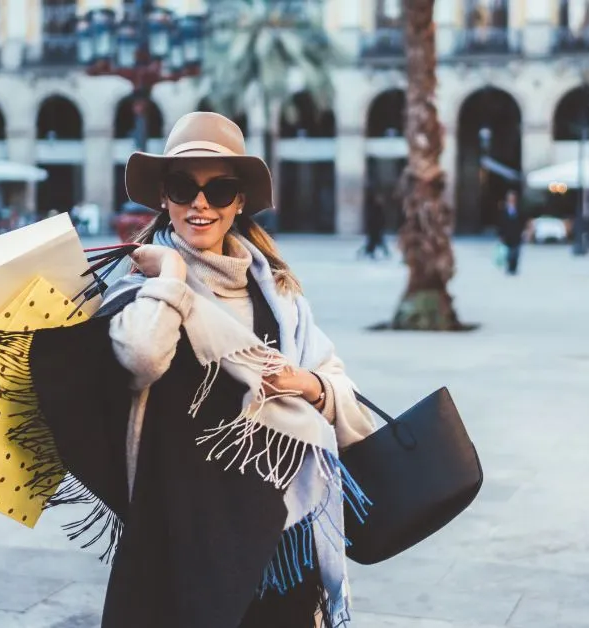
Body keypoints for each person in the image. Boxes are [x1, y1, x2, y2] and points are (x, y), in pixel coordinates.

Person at [24, 112, 379, 628]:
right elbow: (143, 357)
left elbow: (345, 397)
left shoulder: (281, 297)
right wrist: (172, 275)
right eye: (183, 186)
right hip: (178, 539)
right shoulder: (138, 292)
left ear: (239, 202)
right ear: (164, 199)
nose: (200, 204)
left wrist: (308, 384)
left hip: (277, 545)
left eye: (220, 190)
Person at [498, 190, 527, 275]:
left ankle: (514, 268)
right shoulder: (504, 210)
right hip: (507, 235)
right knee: (509, 253)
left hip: (517, 235)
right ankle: (509, 267)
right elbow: (500, 223)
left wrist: (524, 231)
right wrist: (500, 234)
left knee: (516, 252)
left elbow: (523, 221)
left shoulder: (519, 209)